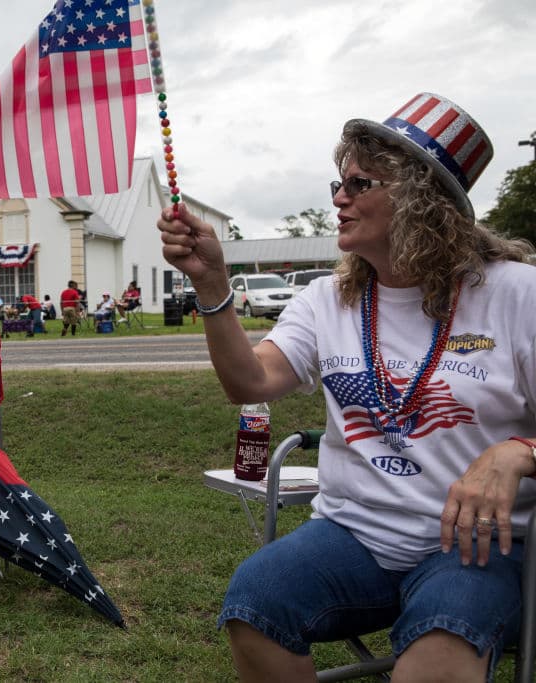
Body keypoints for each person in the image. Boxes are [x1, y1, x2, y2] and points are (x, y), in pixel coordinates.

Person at [158, 92, 536, 682]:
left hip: (475, 549)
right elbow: (248, 381)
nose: (338, 198)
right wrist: (212, 286)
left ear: (422, 201)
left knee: (442, 639)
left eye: (360, 184)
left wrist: (518, 452)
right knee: (256, 601)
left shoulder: (516, 295)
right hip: (353, 535)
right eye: (338, 182)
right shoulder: (328, 300)